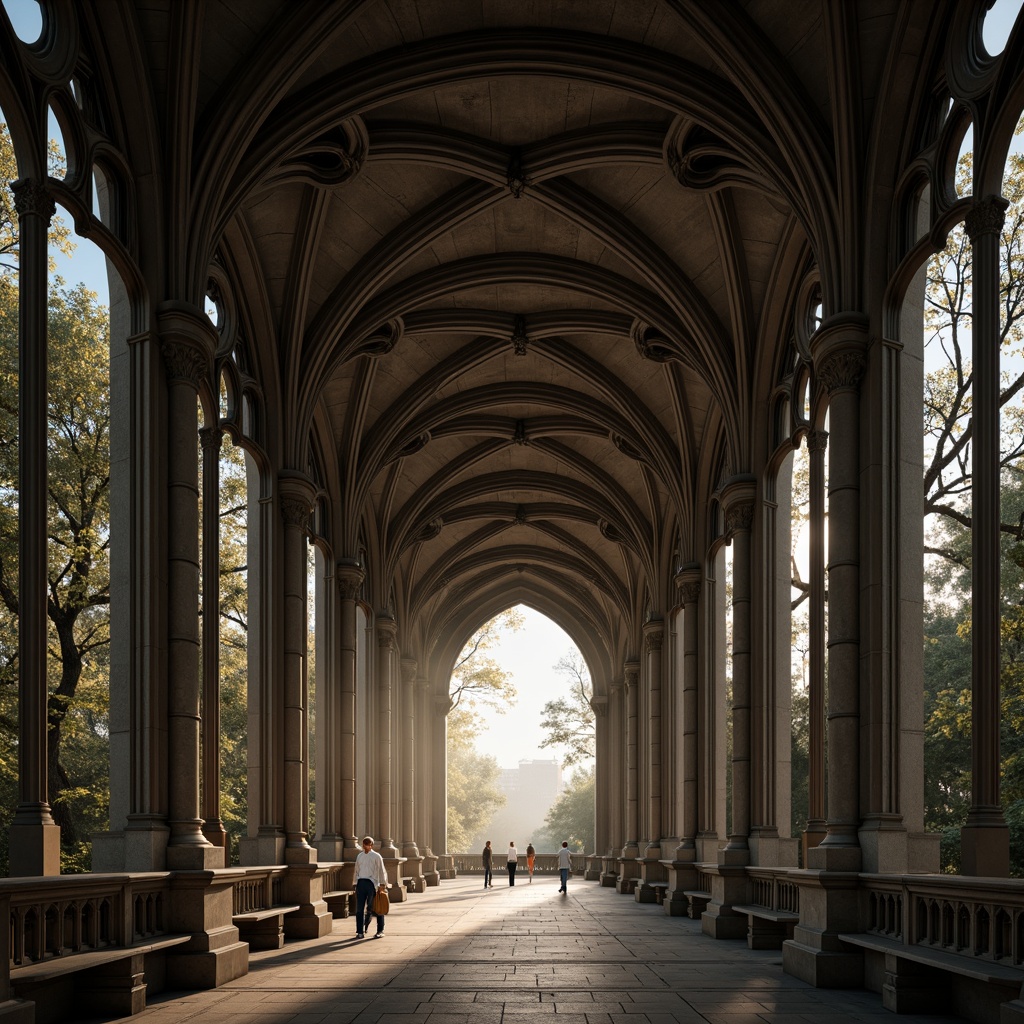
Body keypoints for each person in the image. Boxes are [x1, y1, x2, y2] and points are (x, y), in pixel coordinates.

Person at [354, 835, 388, 938]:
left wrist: (382, 884)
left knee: (377, 907)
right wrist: (355, 882)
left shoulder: (377, 856)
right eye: (364, 844)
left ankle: (380, 930)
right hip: (361, 883)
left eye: (368, 844)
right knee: (359, 909)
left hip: (372, 884)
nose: (366, 846)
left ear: (371, 845)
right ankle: (360, 931)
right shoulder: (359, 856)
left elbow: (382, 871)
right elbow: (356, 869)